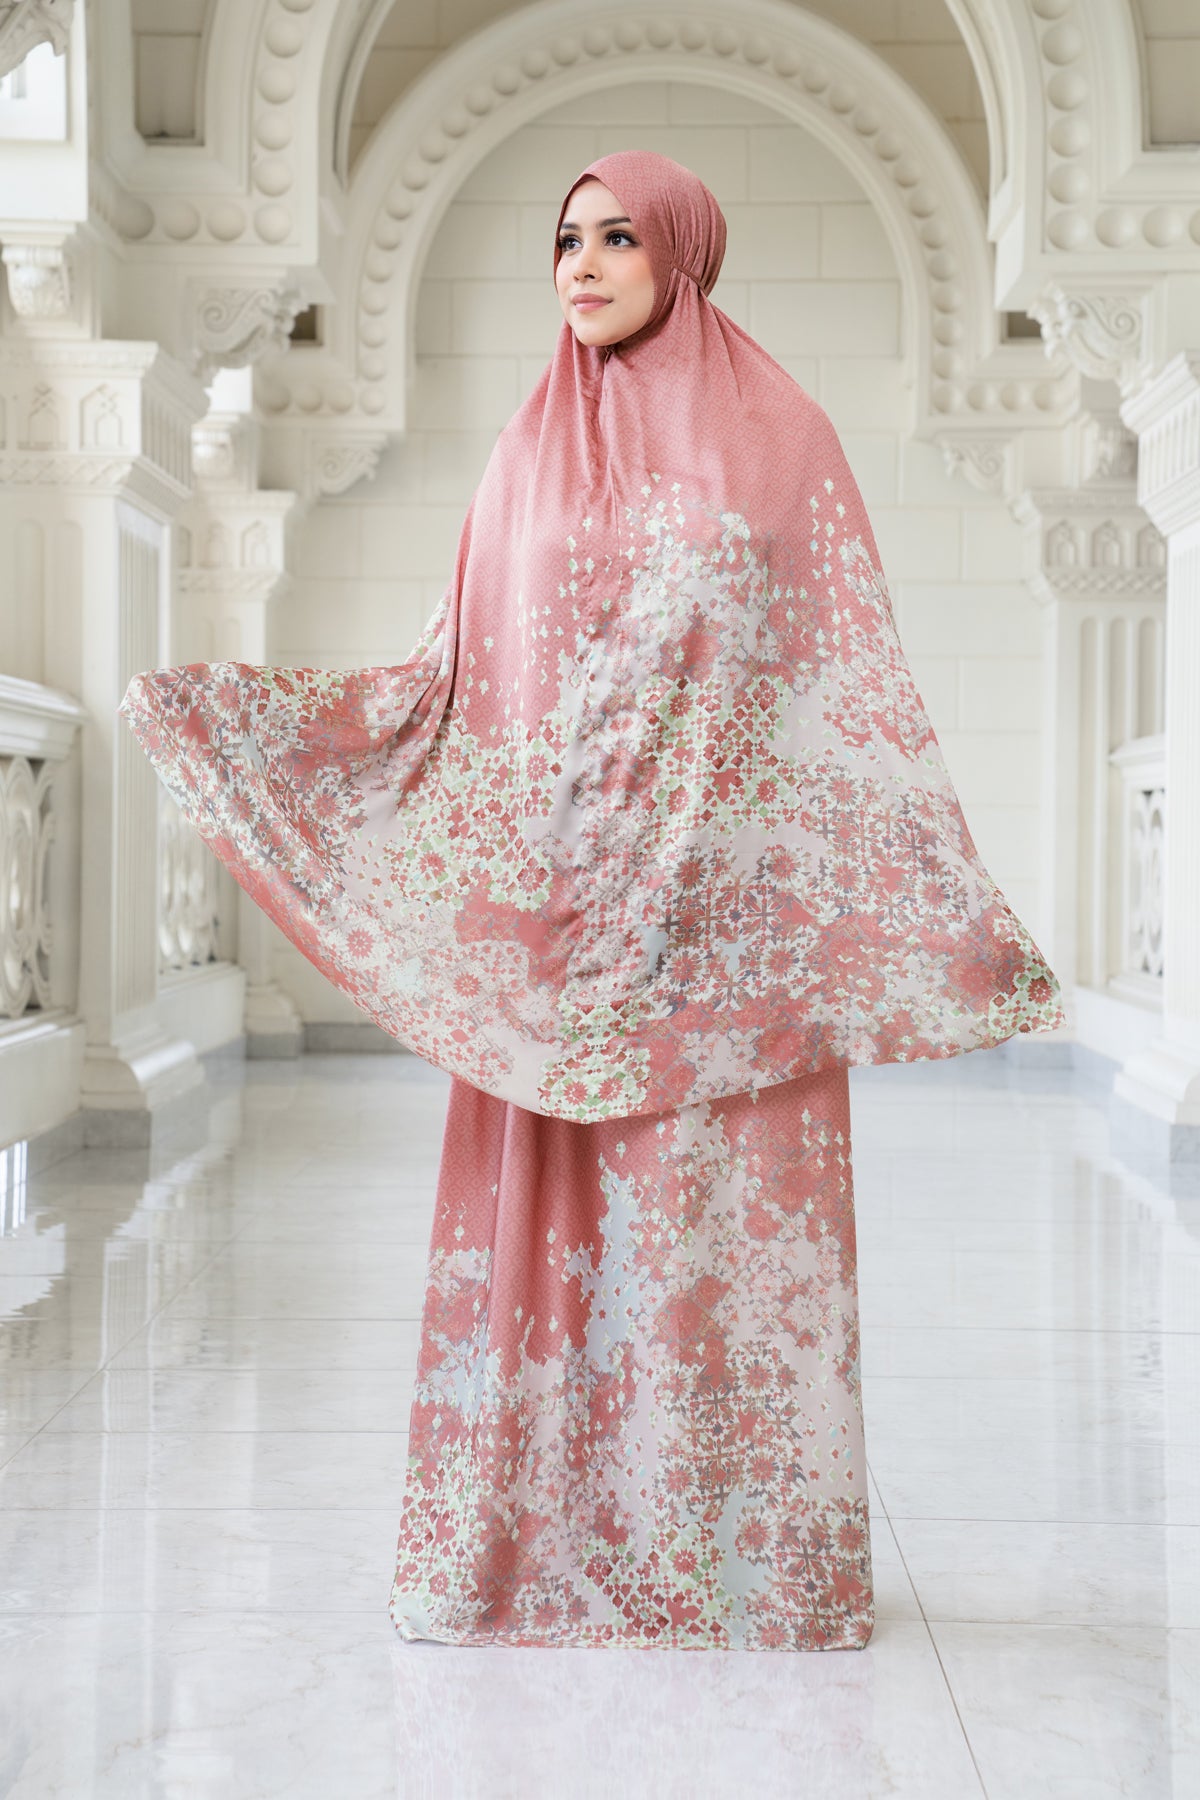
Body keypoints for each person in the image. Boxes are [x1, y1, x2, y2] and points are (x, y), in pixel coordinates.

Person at [120, 150, 1066, 1651]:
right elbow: (455, 681)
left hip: (733, 930)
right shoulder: (526, 454)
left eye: (619, 237)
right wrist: (258, 729)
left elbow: (838, 681)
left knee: (724, 1236)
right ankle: (533, 1553)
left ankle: (747, 1567)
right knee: (559, 1231)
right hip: (570, 922)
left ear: (683, 251)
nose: (583, 263)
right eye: (566, 239)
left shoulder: (783, 444)